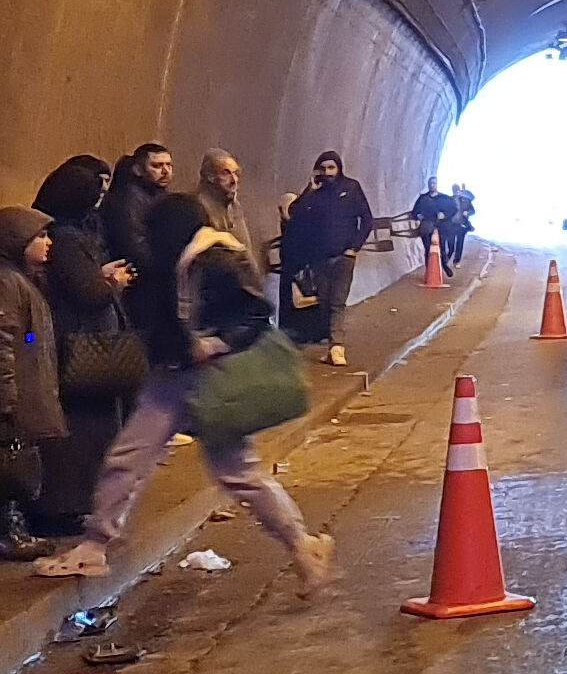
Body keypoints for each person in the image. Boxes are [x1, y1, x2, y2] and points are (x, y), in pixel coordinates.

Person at [34, 192, 333, 591]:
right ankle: (302, 545)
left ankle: (94, 546)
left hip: (202, 375)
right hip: (178, 373)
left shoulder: (215, 258)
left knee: (146, 459)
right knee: (230, 471)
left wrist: (213, 344)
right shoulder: (188, 257)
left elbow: (256, 313)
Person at [32, 156, 136, 539]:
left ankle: (77, 504)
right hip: (80, 348)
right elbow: (88, 292)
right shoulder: (68, 237)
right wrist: (113, 282)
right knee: (81, 435)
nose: (101, 198)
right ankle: (67, 507)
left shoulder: (67, 233)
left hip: (77, 344)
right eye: (97, 189)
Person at [0, 208, 67, 559]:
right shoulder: (8, 282)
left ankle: (15, 529)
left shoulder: (23, 278)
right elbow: (3, 340)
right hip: (15, 392)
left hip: (25, 385)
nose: (48, 242)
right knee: (11, 468)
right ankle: (10, 534)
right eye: (39, 236)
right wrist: (6, 396)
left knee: (19, 463)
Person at [280, 152, 374, 366]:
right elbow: (294, 212)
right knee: (323, 302)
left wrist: (354, 248)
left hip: (343, 257)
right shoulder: (317, 193)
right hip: (319, 258)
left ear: (339, 168)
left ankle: (337, 347)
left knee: (337, 302)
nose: (328, 173)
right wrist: (309, 190)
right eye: (323, 168)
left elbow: (367, 219)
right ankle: (333, 347)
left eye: (332, 168)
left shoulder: (351, 188)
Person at [101, 143, 175, 273]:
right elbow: (134, 245)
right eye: (157, 166)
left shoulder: (159, 194)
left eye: (169, 165)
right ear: (137, 170)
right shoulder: (128, 199)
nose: (165, 171)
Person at [195, 149, 250, 243]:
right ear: (210, 176)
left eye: (236, 173)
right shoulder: (198, 207)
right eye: (226, 173)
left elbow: (244, 246)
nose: (234, 180)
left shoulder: (234, 207)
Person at [410, 179, 461, 268]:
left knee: (442, 250)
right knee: (428, 249)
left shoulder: (445, 198)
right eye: (430, 183)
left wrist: (445, 215)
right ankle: (429, 270)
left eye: (434, 183)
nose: (432, 185)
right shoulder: (423, 198)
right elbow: (415, 211)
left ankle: (443, 266)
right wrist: (418, 216)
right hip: (427, 226)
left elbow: (454, 209)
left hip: (441, 226)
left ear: (437, 184)